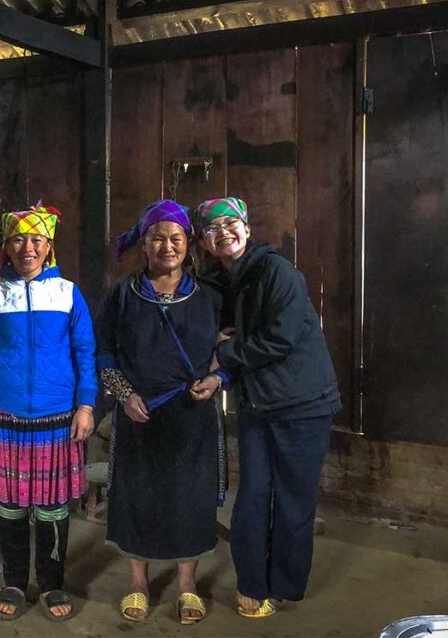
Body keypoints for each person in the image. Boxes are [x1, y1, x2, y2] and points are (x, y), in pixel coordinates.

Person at [194, 197, 341, 619]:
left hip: (303, 403)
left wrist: (228, 350)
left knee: (294, 500)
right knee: (253, 496)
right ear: (204, 241)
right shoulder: (217, 280)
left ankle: (284, 587)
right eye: (213, 228)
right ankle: (252, 582)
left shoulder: (277, 272)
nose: (224, 232)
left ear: (246, 227)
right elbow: (213, 331)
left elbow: (281, 339)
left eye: (231, 223)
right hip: (258, 403)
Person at [95, 199, 229, 625]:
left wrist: (218, 377)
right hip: (139, 411)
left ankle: (187, 585)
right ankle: (138, 583)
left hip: (193, 410)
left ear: (189, 245)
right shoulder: (123, 293)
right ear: (144, 244)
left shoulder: (208, 295)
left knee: (189, 496)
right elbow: (105, 351)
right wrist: (122, 394)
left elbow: (228, 347)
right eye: (158, 238)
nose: (167, 245)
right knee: (138, 494)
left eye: (176, 238)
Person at [0, 204, 97, 622]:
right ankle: (15, 582)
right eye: (19, 239)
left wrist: (87, 404)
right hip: (3, 421)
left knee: (53, 510)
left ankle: (53, 582)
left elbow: (85, 353)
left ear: (49, 246)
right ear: (7, 246)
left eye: (37, 240)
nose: (28, 248)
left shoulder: (69, 293)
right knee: (12, 509)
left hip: (57, 420)